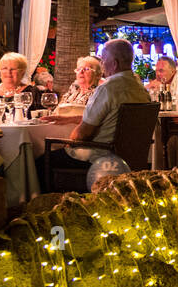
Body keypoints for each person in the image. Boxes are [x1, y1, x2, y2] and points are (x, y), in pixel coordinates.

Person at [40, 38, 151, 189]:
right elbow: (112, 118)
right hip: (130, 156)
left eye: (103, 61)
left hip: (99, 157)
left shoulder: (107, 89)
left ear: (114, 63)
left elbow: (83, 133)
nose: (102, 66)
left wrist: (69, 142)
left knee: (39, 160)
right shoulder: (141, 89)